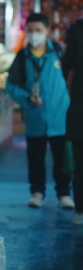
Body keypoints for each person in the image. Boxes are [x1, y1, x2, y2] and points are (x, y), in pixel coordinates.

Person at [5, 14, 72, 209]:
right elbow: (11, 85)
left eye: (39, 30)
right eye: (31, 30)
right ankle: (37, 192)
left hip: (60, 116)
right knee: (35, 158)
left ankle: (64, 194)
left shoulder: (60, 52)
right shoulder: (22, 57)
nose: (34, 35)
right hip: (35, 116)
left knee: (62, 158)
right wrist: (26, 98)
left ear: (47, 31)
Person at [62, 18, 83, 224]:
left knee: (80, 166)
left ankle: (80, 211)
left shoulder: (76, 35)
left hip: (78, 116)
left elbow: (63, 68)